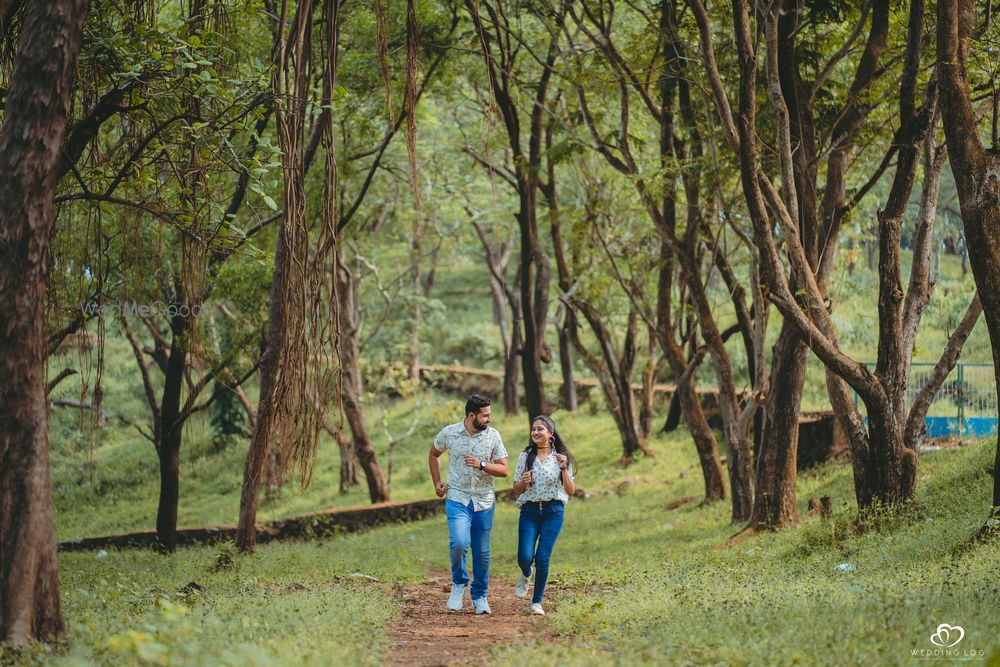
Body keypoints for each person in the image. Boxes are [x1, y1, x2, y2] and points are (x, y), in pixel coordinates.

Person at [428, 393, 508, 614]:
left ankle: (480, 596)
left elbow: (503, 469)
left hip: (484, 500)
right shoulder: (450, 433)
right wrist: (437, 482)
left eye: (489, 415)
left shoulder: (493, 436)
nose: (489, 419)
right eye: (485, 416)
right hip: (457, 498)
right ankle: (459, 583)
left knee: (482, 552)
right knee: (459, 543)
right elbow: (434, 454)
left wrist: (482, 464)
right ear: (472, 415)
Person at [512, 414, 576, 615]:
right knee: (524, 557)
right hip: (530, 511)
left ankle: (537, 602)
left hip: (553, 512)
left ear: (551, 433)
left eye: (540, 429)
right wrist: (524, 480)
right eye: (533, 429)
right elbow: (516, 488)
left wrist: (564, 468)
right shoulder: (525, 456)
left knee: (543, 557)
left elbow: (571, 490)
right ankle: (526, 572)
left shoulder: (560, 458)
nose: (535, 432)